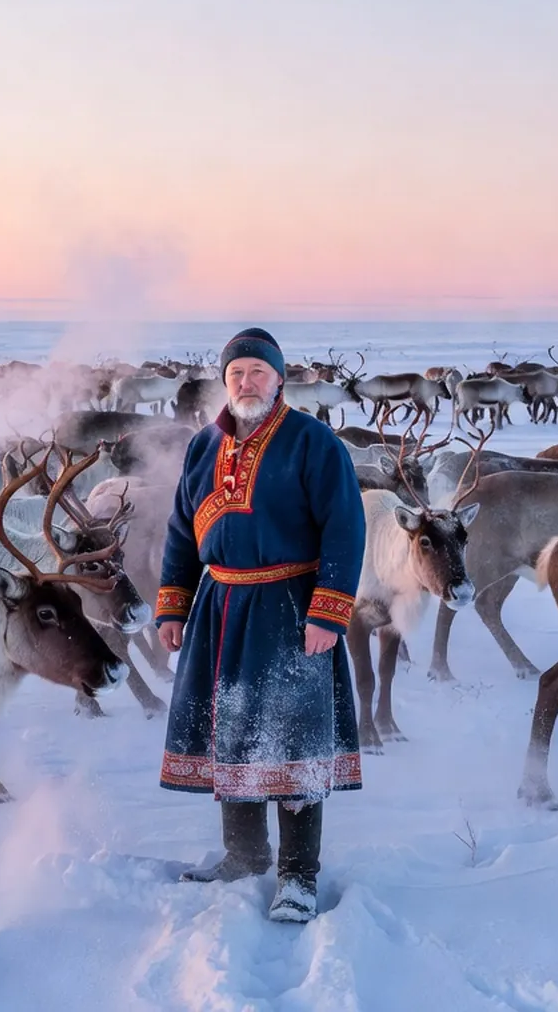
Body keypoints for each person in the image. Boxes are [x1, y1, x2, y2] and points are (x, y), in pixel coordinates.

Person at [155, 326, 367, 923]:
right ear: (224, 383)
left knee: (293, 741)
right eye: (236, 374)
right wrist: (173, 605)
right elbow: (179, 531)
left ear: (280, 379)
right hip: (219, 608)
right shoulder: (202, 446)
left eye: (257, 372)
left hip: (292, 609)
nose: (246, 383)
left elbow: (346, 529)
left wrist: (328, 611)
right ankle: (245, 855)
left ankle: (299, 877)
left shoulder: (313, 442)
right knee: (233, 733)